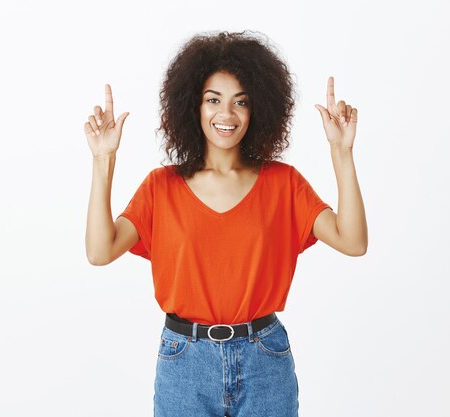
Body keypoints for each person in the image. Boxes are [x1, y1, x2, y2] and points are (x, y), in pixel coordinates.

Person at [84, 30, 367, 417]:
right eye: (213, 100)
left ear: (258, 109)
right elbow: (99, 252)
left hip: (264, 361)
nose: (226, 115)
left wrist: (342, 152)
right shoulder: (161, 187)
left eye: (241, 102)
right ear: (192, 107)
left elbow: (353, 241)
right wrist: (104, 160)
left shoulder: (283, 184)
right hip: (184, 363)